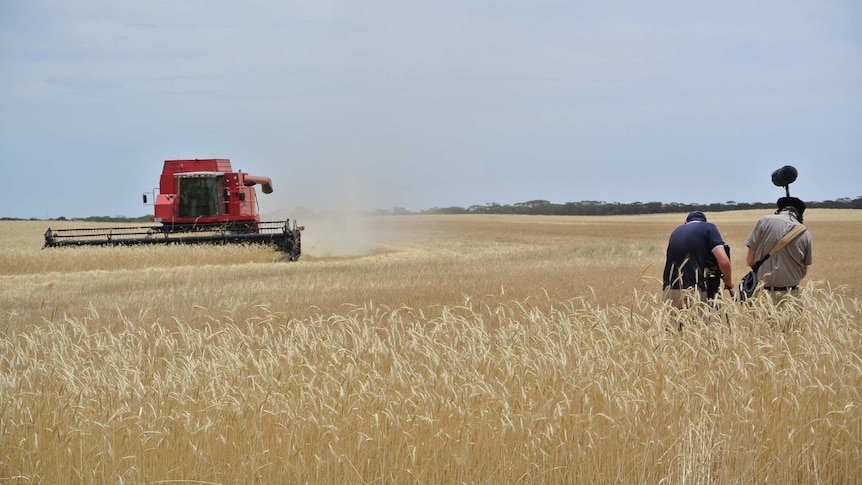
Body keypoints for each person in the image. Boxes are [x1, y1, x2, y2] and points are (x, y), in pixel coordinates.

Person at [744, 196, 813, 302]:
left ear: (779, 210)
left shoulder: (764, 221)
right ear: (800, 215)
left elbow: (750, 261)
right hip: (791, 296)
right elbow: (803, 272)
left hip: (763, 295)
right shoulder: (805, 233)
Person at [662, 211, 734, 308]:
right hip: (693, 291)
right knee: (697, 323)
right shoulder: (709, 228)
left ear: (686, 222)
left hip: (669, 291)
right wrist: (728, 282)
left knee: (674, 323)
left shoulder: (676, 230)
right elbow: (724, 261)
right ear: (704, 222)